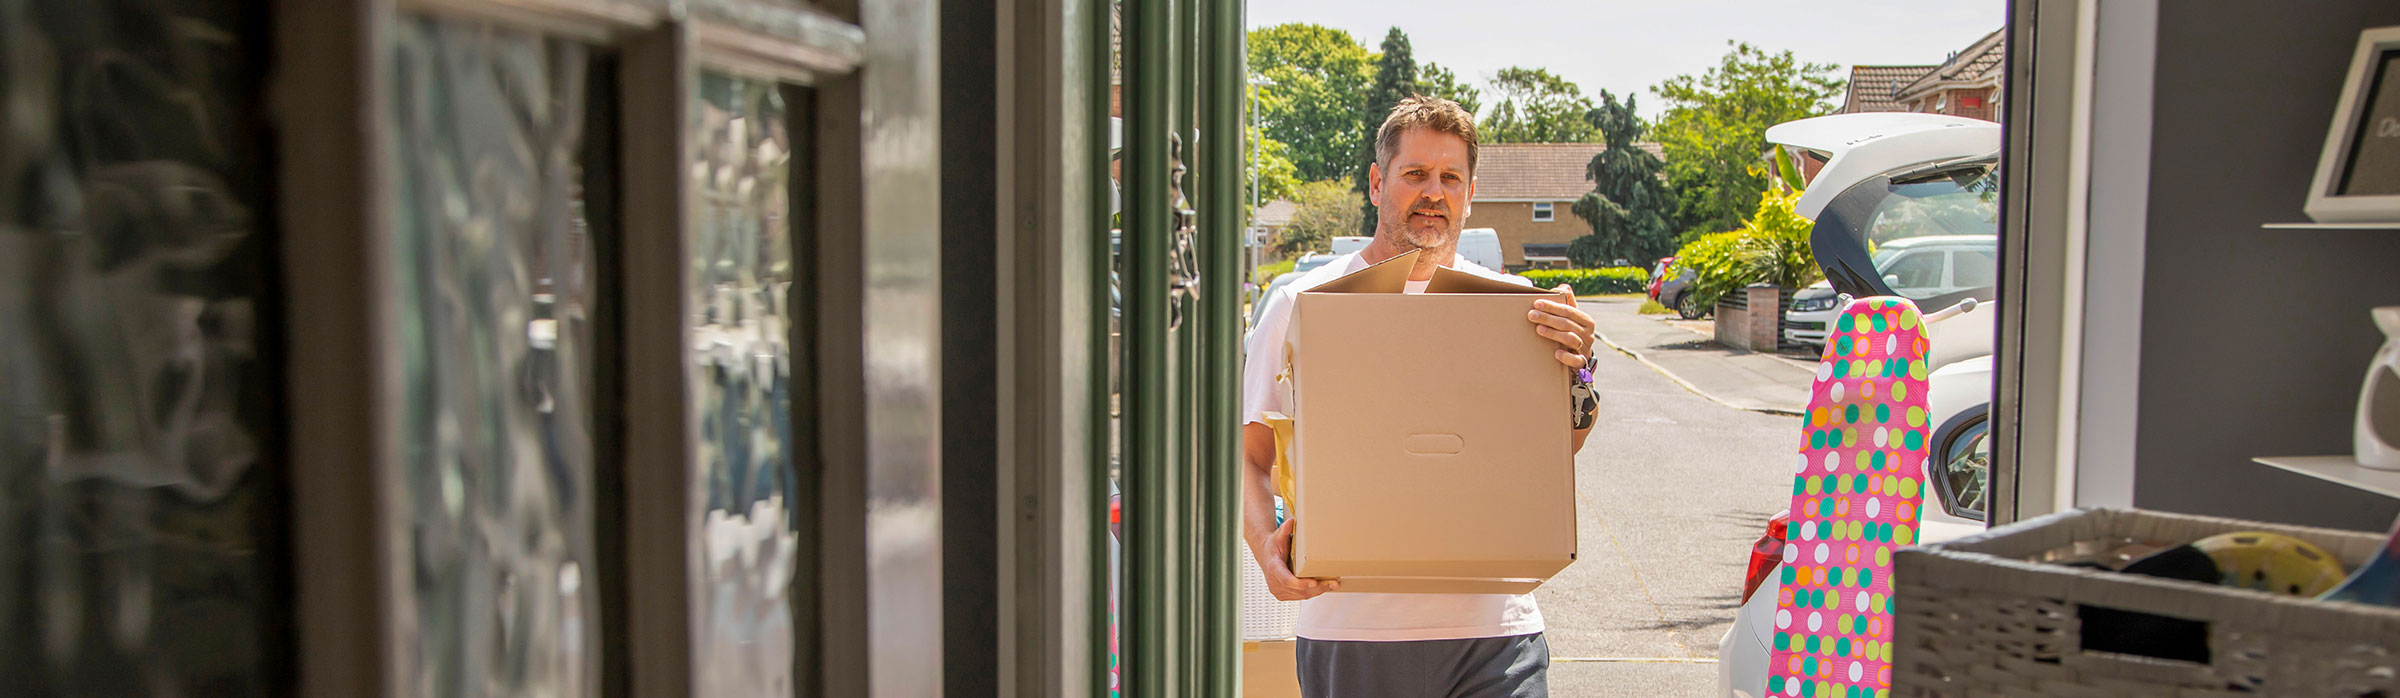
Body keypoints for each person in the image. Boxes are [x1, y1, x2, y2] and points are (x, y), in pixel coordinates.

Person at [1240, 95, 1599, 698]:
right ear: (1378, 183)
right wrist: (1266, 555)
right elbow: (1251, 458)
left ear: (1470, 191)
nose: (1434, 191)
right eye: (1415, 174)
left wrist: (1582, 370)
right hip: (1351, 630)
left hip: (1498, 632)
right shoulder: (1302, 303)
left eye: (1450, 177)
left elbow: (1559, 446)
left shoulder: (1516, 306)